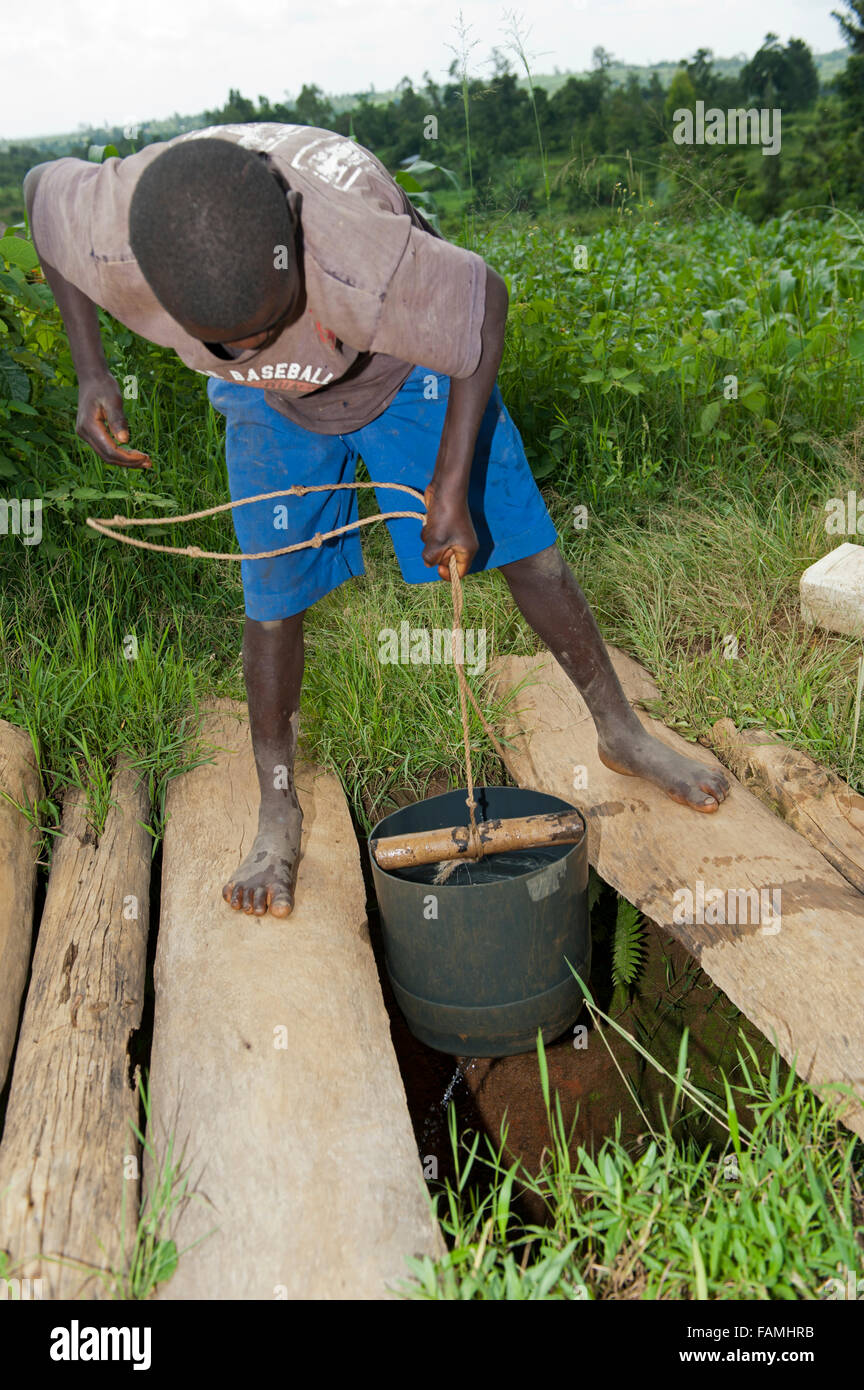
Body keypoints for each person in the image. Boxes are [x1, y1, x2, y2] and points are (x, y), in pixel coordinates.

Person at [23, 123, 728, 919]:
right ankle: (278, 807)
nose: (254, 346)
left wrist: (451, 486)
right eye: (229, 342)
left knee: (524, 547)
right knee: (273, 596)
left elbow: (482, 299)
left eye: (272, 322)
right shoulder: (115, 231)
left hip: (407, 370)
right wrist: (91, 370)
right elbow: (41, 191)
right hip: (272, 412)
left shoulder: (362, 252)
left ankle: (618, 729)